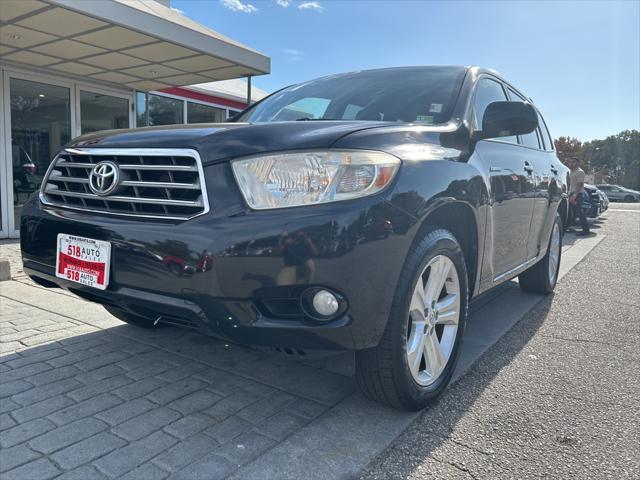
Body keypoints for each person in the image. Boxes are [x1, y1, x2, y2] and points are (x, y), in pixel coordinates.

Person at [567, 157, 591, 236]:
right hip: (572, 193)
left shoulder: (580, 172)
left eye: (574, 162)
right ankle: (570, 227)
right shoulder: (571, 172)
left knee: (579, 213)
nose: (571, 163)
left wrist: (574, 195)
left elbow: (579, 184)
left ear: (578, 163)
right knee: (572, 212)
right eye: (570, 162)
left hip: (577, 194)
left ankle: (586, 230)